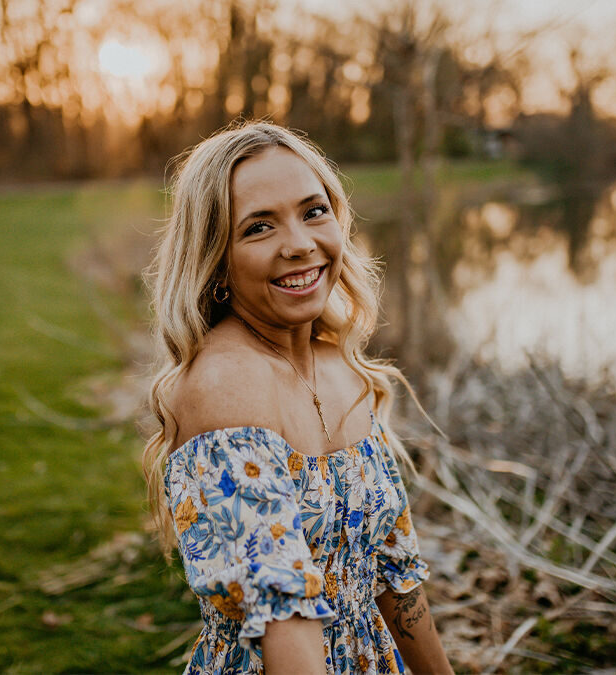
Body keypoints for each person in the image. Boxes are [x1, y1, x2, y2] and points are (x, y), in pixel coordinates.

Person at [143, 121, 453, 675]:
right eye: (259, 227)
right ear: (217, 258)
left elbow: (394, 571)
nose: (300, 245)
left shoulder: (342, 366)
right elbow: (283, 614)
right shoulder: (224, 389)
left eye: (314, 211)